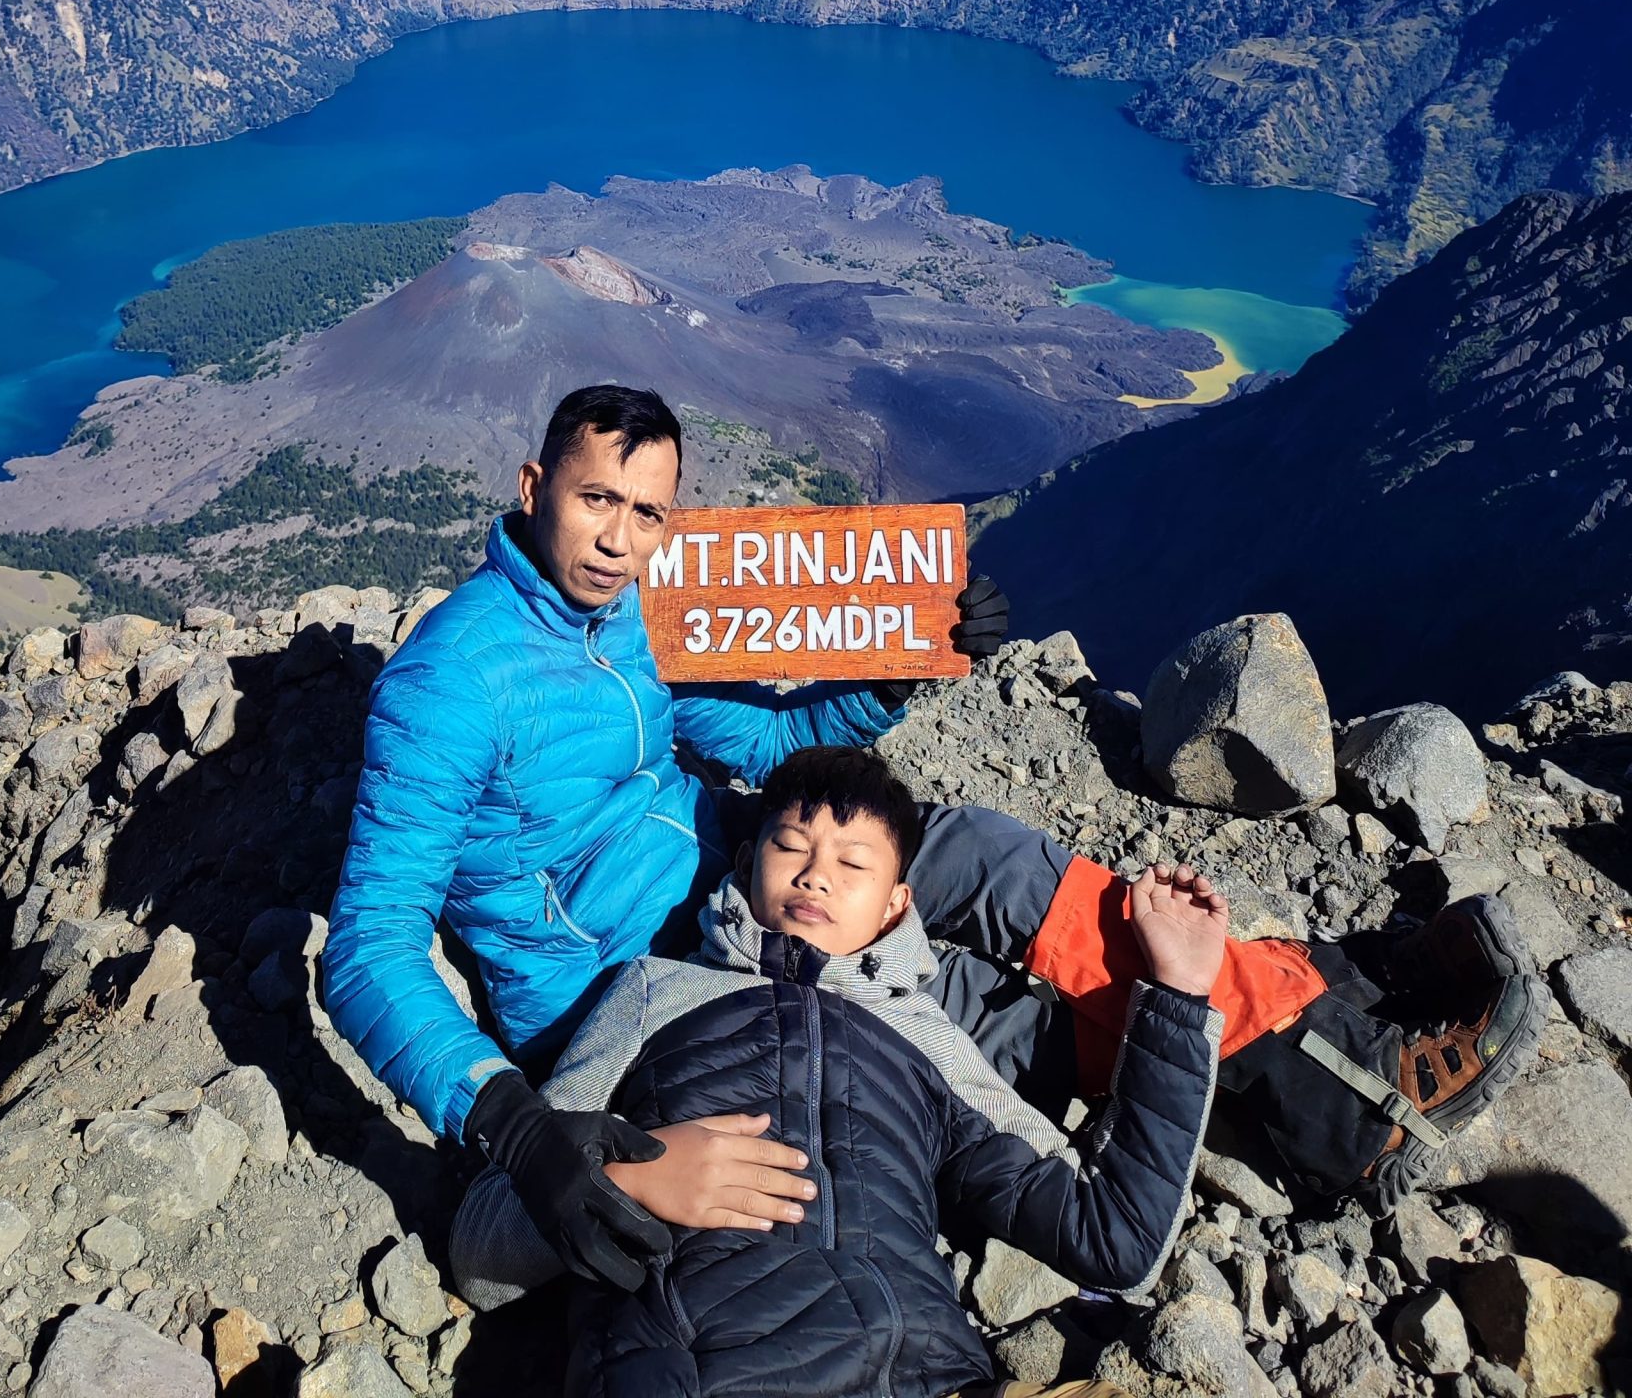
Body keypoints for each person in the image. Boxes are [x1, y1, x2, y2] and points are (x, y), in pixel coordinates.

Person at [322, 383, 1544, 1296]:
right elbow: (370, 945)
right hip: (644, 973)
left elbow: (746, 739)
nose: (619, 539)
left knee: (969, 847)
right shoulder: (450, 684)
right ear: (533, 488)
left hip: (744, 874)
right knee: (973, 1017)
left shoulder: (627, 614)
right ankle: (1331, 1080)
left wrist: (909, 666)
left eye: (647, 514)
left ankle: (1300, 1003)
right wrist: (513, 1124)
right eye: (597, 501)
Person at [450, 746, 1229, 1398]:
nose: (815, 876)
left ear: (896, 907)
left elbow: (1113, 1238)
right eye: (792, 848)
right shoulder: (657, 991)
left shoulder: (929, 1038)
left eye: (851, 863)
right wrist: (622, 1182)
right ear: (749, 862)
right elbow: (483, 1250)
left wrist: (1179, 995)